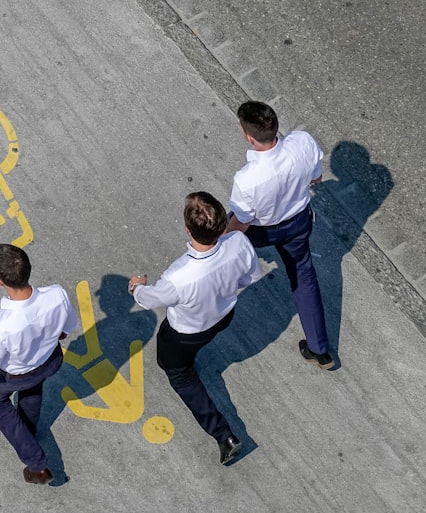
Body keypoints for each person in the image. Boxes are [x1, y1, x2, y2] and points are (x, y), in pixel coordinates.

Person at [128, 192, 262, 465]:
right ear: (223, 222)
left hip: (184, 335)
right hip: (223, 317)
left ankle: (224, 435)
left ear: (188, 229)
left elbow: (148, 299)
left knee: (178, 374)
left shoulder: (178, 276)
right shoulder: (238, 242)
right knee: (196, 351)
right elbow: (250, 277)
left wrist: (136, 286)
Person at [224, 100, 334, 369]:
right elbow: (316, 178)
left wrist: (219, 242)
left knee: (227, 239)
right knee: (304, 277)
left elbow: (242, 221)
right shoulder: (303, 142)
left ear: (248, 136)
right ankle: (320, 350)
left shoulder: (247, 179)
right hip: (298, 224)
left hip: (262, 232)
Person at [0, 244, 80, 484]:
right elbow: (67, 330)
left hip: (16, 375)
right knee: (33, 387)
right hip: (49, 362)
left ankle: (37, 463)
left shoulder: (2, 327)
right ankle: (29, 429)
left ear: (0, 281)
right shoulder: (57, 294)